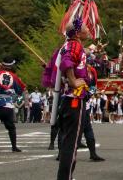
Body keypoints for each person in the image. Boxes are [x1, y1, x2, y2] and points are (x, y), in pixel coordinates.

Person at [45, 18, 91, 180]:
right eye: (85, 27)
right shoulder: (74, 45)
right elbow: (67, 61)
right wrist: (73, 80)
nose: (88, 28)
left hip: (68, 99)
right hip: (74, 98)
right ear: (78, 33)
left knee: (68, 142)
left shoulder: (67, 45)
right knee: (71, 144)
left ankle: (66, 177)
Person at [0, 57, 25, 153]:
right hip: (7, 103)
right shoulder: (13, 76)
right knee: (11, 127)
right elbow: (20, 90)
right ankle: (14, 146)